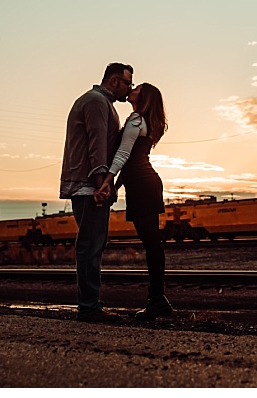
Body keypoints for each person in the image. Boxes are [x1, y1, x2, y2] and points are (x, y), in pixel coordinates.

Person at [59, 62, 133, 323]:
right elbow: (96, 143)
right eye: (127, 83)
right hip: (90, 186)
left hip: (91, 185)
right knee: (90, 246)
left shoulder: (102, 103)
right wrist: (102, 183)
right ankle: (89, 307)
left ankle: (90, 304)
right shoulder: (96, 102)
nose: (130, 89)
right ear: (114, 81)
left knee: (93, 244)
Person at [106, 82, 173, 321]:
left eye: (137, 88)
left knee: (152, 244)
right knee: (152, 243)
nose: (131, 88)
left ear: (143, 97)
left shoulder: (136, 120)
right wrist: (115, 186)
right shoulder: (143, 121)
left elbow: (123, 155)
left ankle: (157, 300)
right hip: (144, 183)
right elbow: (132, 159)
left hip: (143, 185)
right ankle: (157, 300)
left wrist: (108, 178)